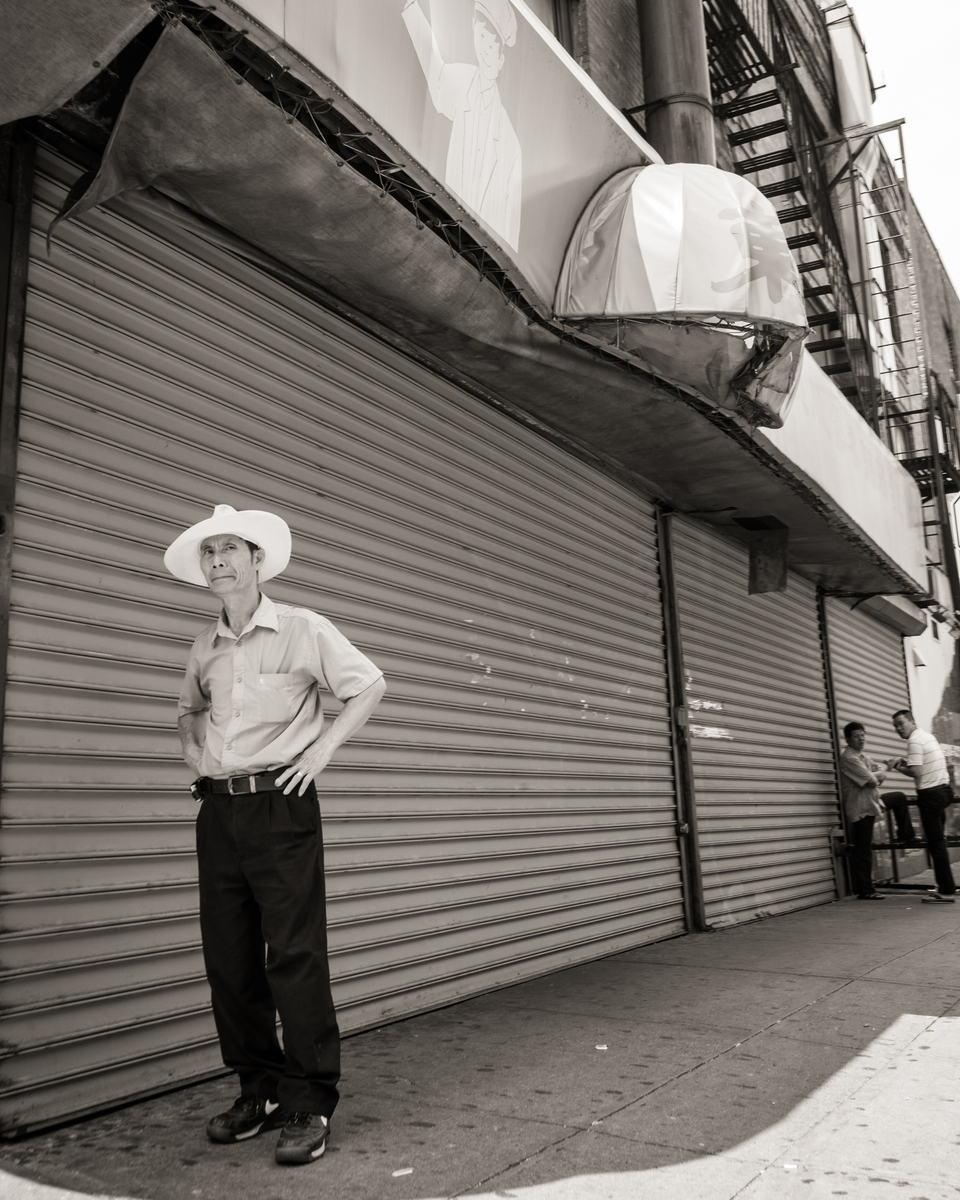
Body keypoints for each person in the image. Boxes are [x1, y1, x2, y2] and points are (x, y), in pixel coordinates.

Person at [165, 504, 387, 1165]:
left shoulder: (301, 628)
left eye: (229, 549)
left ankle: (309, 1100)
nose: (217, 562)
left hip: (280, 809)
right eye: (208, 553)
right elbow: (187, 711)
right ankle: (257, 1092)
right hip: (219, 815)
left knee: (294, 955)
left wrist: (321, 752)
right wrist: (195, 756)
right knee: (229, 962)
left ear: (257, 559)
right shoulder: (204, 646)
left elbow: (368, 685)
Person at [402, 0, 523, 249]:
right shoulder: (462, 81)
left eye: (493, 44)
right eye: (482, 36)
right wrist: (411, 7)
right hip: (443, 230)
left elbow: (509, 232)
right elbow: (434, 69)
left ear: (502, 59)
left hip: (475, 253)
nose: (486, 50)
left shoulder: (511, 147)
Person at [889, 709, 957, 904]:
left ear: (912, 721)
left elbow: (916, 772)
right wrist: (903, 760)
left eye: (901, 723)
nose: (898, 728)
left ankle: (946, 891)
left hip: (930, 796)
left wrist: (897, 766)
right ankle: (946, 886)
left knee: (936, 845)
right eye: (895, 726)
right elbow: (922, 764)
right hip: (944, 792)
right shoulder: (927, 737)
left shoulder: (914, 741)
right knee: (939, 842)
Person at [838, 722, 888, 899]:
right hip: (860, 808)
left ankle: (906, 835)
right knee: (863, 850)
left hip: (871, 804)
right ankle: (865, 890)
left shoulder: (862, 756)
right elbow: (873, 781)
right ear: (848, 739)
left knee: (898, 798)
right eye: (856, 736)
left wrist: (877, 774)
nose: (861, 739)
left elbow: (880, 772)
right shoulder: (849, 758)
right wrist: (877, 775)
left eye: (862, 735)